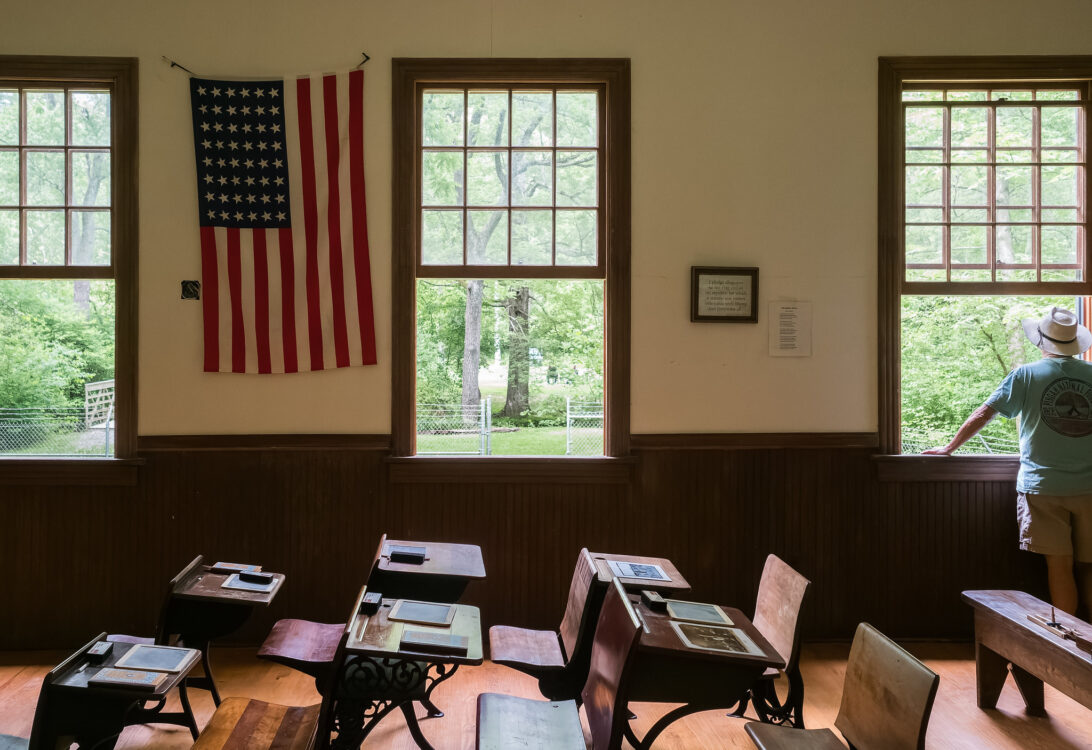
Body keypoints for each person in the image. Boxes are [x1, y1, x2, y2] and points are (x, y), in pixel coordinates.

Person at [924, 306, 1092, 617]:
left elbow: (983, 414)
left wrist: (950, 447)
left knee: (1059, 566)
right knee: (1090, 566)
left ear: (1042, 341)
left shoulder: (1026, 375)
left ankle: (1069, 646)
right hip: (1090, 487)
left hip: (1043, 486)